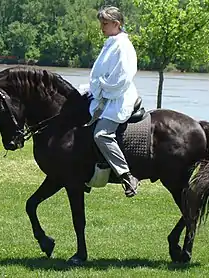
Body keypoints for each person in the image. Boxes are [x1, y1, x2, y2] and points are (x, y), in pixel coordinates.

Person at [87, 6, 139, 197]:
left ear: (116, 24)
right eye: (101, 23)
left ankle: (126, 176)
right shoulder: (111, 42)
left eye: (105, 23)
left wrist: (104, 90)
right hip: (105, 94)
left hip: (118, 97)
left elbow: (122, 77)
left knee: (101, 134)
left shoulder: (123, 46)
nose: (101, 27)